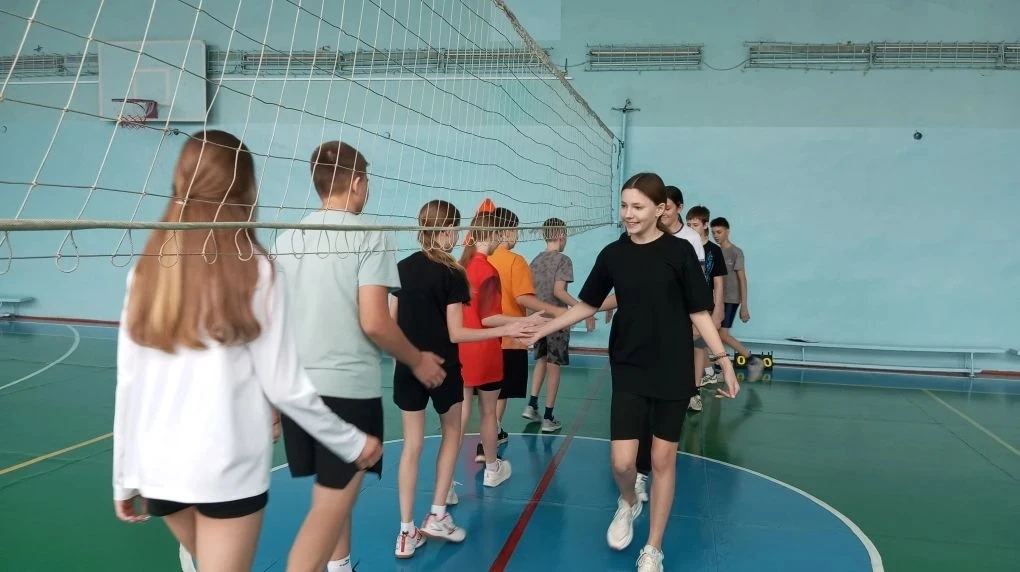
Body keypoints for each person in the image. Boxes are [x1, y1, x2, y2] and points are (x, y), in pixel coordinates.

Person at [112, 130, 381, 572]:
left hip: (157, 469)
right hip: (225, 467)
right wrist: (350, 442)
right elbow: (285, 388)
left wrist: (124, 476)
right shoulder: (255, 268)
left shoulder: (146, 269)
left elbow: (129, 383)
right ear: (246, 188)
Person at [519, 172, 739, 572]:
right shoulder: (613, 254)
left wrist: (723, 360)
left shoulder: (679, 252)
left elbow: (698, 311)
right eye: (624, 206)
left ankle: (653, 548)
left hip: (672, 367)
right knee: (622, 464)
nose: (628, 214)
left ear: (660, 209)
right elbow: (587, 305)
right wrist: (541, 328)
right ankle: (629, 500)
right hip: (629, 364)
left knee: (662, 460)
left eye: (637, 206)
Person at [274, 140, 445, 572]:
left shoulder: (286, 237)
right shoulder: (368, 233)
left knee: (333, 498)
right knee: (330, 505)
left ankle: (340, 564)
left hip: (297, 390)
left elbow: (275, 323)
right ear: (356, 182)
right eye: (367, 181)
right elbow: (375, 321)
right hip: (346, 389)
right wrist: (417, 360)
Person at [390, 200, 532, 558]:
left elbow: (392, 322)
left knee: (411, 445)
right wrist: (507, 330)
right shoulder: (452, 272)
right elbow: (457, 333)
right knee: (452, 434)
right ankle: (437, 514)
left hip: (408, 367)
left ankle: (405, 532)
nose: (457, 236)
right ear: (445, 231)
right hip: (443, 367)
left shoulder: (401, 268)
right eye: (454, 229)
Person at [457, 210, 544, 487]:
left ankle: (445, 482)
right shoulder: (487, 269)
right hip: (485, 351)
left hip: (462, 349)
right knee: (488, 413)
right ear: (495, 234)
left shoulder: (462, 266)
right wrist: (523, 322)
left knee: (460, 414)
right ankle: (493, 469)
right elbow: (488, 318)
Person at [481, 206, 564, 459]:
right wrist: (556, 311)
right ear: (506, 231)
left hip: (483, 338)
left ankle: (488, 437)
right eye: (515, 230)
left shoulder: (481, 259)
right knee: (501, 393)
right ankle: (490, 438)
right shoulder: (515, 261)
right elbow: (523, 298)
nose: (517, 236)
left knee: (485, 395)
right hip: (509, 337)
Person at [522, 217, 594, 432]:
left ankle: (531, 405)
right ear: (561, 236)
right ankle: (548, 417)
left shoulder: (535, 260)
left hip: (538, 319)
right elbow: (559, 291)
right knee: (554, 367)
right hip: (556, 321)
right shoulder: (563, 260)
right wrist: (583, 309)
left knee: (541, 360)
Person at [710, 217, 763, 373]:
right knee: (713, 333)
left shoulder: (736, 252)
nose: (716, 235)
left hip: (731, 299)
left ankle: (753, 360)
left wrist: (744, 306)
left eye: (719, 232)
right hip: (716, 299)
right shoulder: (714, 252)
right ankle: (719, 367)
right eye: (713, 233)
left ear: (728, 231)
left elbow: (742, 279)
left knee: (723, 334)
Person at [686, 206, 727, 388]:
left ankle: (695, 388)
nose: (691, 228)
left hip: (703, 305)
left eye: (695, 225)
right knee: (695, 345)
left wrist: (718, 308)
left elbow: (718, 282)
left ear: (705, 225)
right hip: (684, 303)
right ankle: (698, 380)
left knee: (698, 343)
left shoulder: (714, 251)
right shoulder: (683, 247)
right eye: (688, 225)